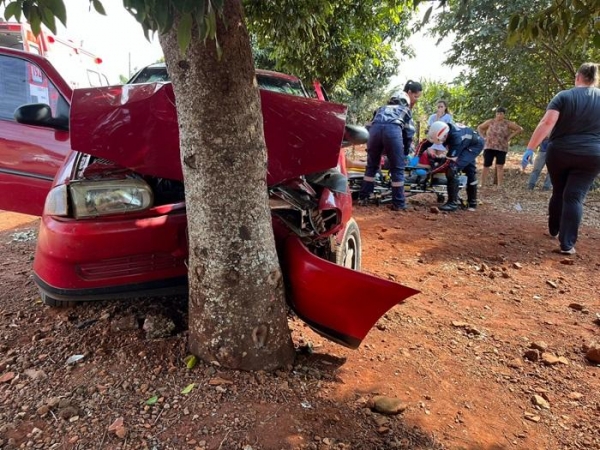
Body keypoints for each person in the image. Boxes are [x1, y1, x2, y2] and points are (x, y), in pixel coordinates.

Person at [524, 62, 600, 255]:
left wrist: (530, 148)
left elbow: (547, 122)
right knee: (574, 197)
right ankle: (567, 244)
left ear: (577, 77)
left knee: (558, 191)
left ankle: (553, 228)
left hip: (560, 152)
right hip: (592, 155)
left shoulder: (564, 96)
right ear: (595, 79)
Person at [358, 81, 422, 211]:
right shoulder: (405, 110)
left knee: (371, 166)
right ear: (405, 100)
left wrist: (372, 147)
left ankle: (363, 197)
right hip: (392, 132)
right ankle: (398, 203)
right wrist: (403, 152)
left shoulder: (380, 109)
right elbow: (409, 132)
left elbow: (369, 126)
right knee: (397, 169)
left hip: (374, 133)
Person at [427, 121, 484, 211]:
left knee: (452, 169)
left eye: (442, 141)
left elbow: (449, 162)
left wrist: (431, 172)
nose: (442, 143)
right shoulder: (442, 128)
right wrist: (416, 159)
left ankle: (452, 203)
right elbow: (425, 144)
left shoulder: (455, 138)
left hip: (474, 145)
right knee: (470, 171)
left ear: (445, 136)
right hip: (467, 142)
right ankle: (472, 203)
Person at [477, 107, 523, 187]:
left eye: (501, 114)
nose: (499, 115)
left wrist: (509, 137)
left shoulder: (507, 123)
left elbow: (519, 129)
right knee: (486, 165)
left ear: (504, 115)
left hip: (501, 147)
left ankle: (499, 185)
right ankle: (482, 183)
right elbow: (480, 127)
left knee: (500, 166)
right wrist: (483, 137)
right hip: (489, 146)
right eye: (497, 113)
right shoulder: (491, 121)